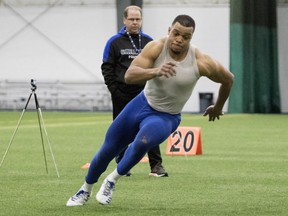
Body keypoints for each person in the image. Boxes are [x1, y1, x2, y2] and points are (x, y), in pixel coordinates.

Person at [66, 14, 234, 206]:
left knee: (143, 141)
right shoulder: (155, 47)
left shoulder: (200, 61)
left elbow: (228, 79)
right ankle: (84, 190)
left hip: (166, 116)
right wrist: (156, 71)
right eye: (176, 33)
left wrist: (218, 107)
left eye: (185, 37)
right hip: (141, 104)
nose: (179, 39)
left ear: (191, 38)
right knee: (108, 148)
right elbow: (129, 76)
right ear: (169, 31)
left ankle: (111, 180)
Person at [101, 5, 168, 177]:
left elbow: (157, 66)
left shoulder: (149, 41)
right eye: (131, 19)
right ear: (124, 20)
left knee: (151, 128)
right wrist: (114, 91)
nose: (135, 22)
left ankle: (156, 166)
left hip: (145, 95)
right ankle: (123, 166)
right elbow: (107, 68)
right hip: (120, 94)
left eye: (138, 19)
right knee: (121, 132)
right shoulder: (114, 42)